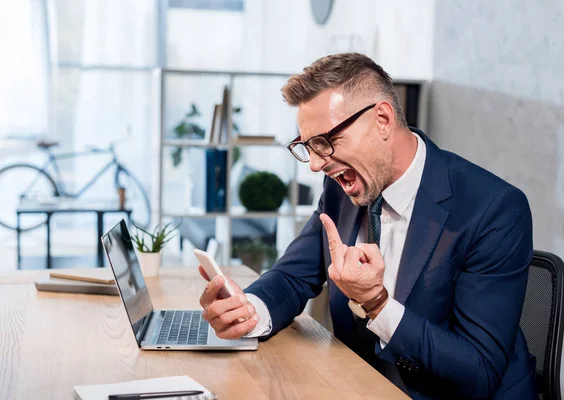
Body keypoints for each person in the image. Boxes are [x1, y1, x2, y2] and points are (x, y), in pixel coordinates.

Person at [198, 53, 536, 400]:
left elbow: (479, 372)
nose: (314, 165)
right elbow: (293, 275)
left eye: (325, 142)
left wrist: (376, 302)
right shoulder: (341, 188)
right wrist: (250, 311)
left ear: (382, 119)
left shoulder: (493, 209)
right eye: (307, 147)